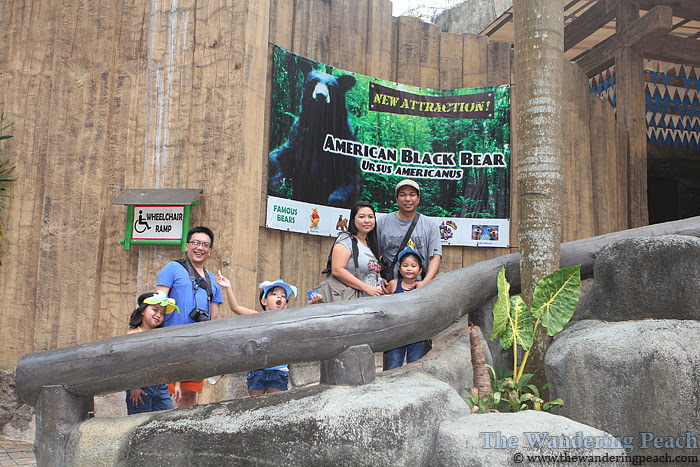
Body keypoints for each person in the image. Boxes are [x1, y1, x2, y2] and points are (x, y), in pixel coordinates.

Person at [156, 226, 223, 408]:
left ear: (210, 251)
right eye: (196, 243)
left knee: (188, 399)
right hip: (170, 343)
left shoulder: (213, 281)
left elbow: (215, 319)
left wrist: (217, 351)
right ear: (187, 246)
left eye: (205, 245)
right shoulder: (172, 268)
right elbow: (157, 304)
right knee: (163, 396)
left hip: (196, 346)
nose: (200, 248)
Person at [377, 179, 442, 287]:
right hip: (390, 286)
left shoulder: (430, 226)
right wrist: (379, 278)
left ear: (418, 199)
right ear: (397, 199)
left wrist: (425, 282)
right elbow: (372, 255)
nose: (407, 199)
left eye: (412, 195)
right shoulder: (382, 223)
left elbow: (435, 257)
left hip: (419, 286)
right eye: (403, 195)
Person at [125, 291, 180, 414]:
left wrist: (177, 384)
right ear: (143, 311)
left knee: (167, 418)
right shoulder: (132, 335)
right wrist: (134, 387)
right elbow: (129, 364)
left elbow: (170, 361)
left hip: (161, 387)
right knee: (140, 421)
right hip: (140, 387)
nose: (158, 315)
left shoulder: (162, 336)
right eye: (155, 310)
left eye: (162, 313)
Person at [246, 280, 298, 396]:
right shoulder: (257, 317)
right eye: (274, 294)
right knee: (255, 404)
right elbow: (235, 308)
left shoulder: (287, 321)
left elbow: (305, 319)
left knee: (275, 404)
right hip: (257, 369)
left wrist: (311, 303)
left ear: (285, 305)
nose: (279, 296)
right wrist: (228, 288)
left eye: (283, 296)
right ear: (264, 301)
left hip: (279, 370)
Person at [385, 246, 428, 370]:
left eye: (413, 266)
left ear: (420, 270)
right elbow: (383, 300)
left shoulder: (423, 287)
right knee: (393, 367)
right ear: (399, 269)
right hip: (396, 334)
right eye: (405, 265)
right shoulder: (393, 284)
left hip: (417, 335)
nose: (409, 269)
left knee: (414, 367)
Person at [329, 201, 384, 297]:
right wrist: (365, 287)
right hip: (351, 300)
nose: (367, 220)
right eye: (361, 217)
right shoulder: (346, 240)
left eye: (370, 217)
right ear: (353, 219)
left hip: (370, 301)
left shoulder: (371, 243)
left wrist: (380, 281)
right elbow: (337, 270)